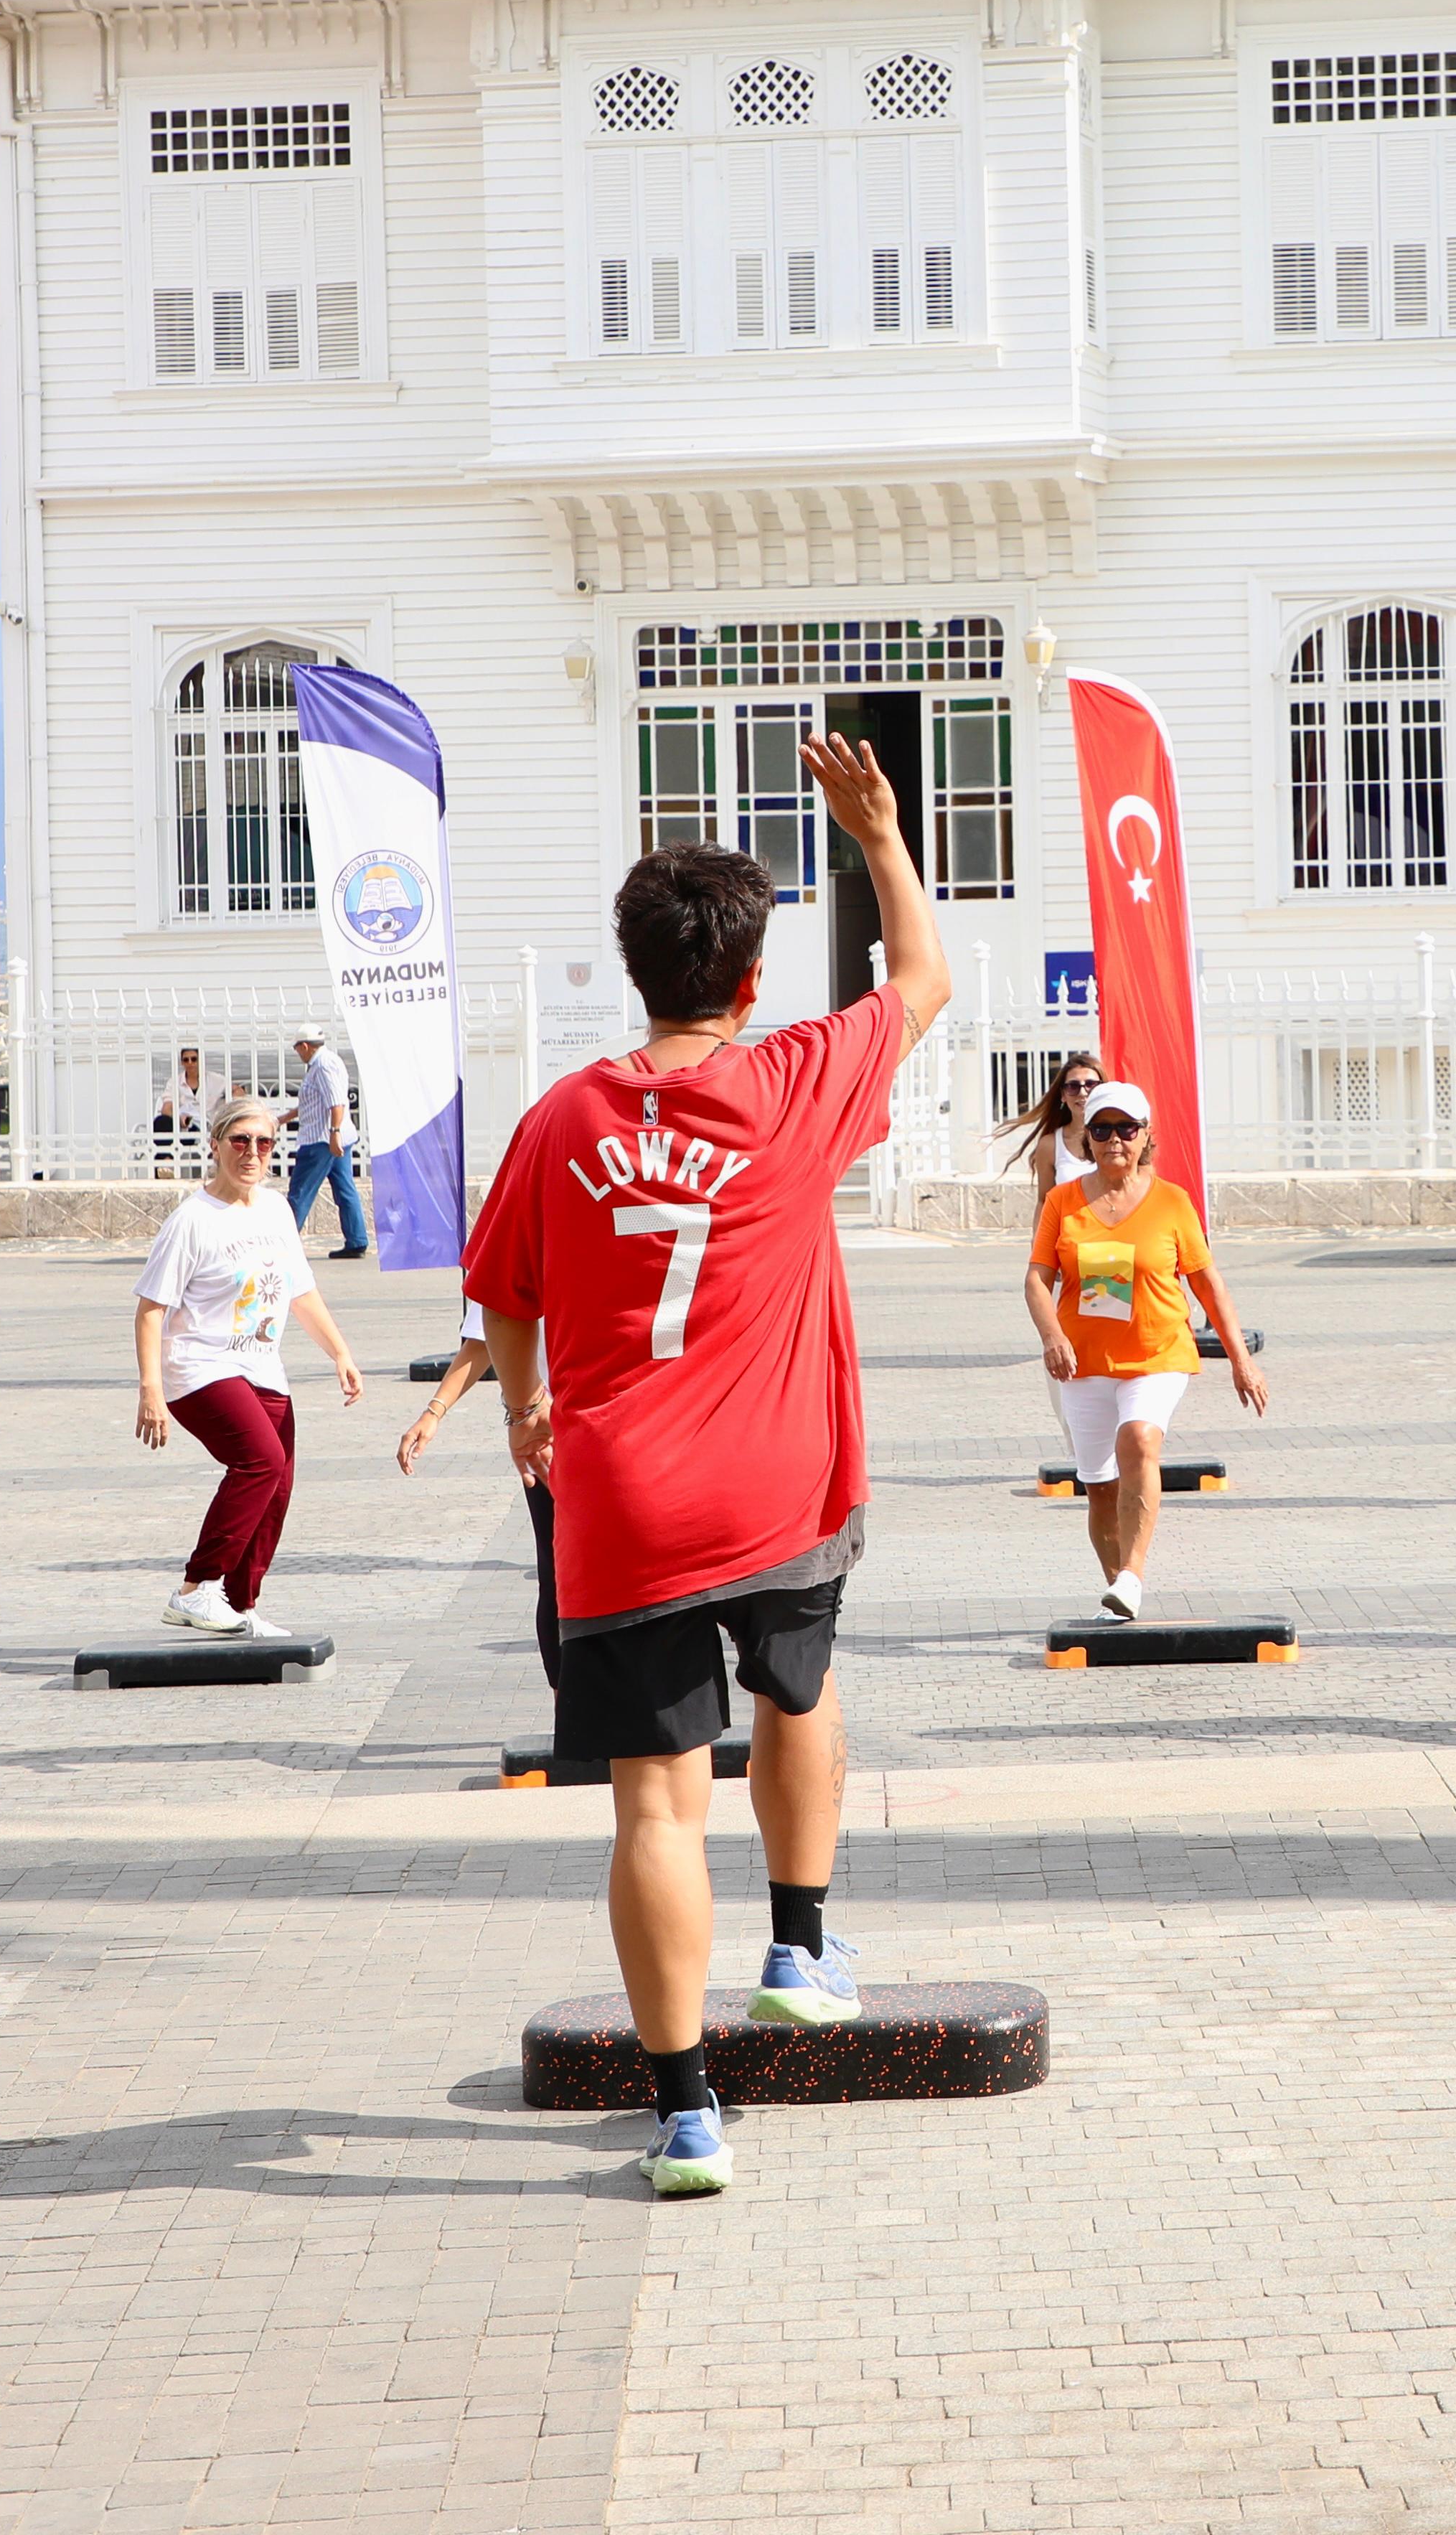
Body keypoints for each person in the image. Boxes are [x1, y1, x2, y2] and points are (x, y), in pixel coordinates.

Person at [463, 735, 950, 2201]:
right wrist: (877, 835)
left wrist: (525, 1407)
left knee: (652, 1806)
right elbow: (918, 983)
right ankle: (799, 1945)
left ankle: (685, 2114)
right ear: (750, 982)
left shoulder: (561, 1119)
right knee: (797, 1685)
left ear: (634, 971)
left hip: (622, 1499)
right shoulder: (793, 1084)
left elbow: (506, 1291)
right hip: (777, 1479)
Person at [1025, 1081, 1267, 1618]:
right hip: (1084, 1361)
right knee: (1100, 1487)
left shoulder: (1172, 1202)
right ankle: (1119, 1596)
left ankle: (1133, 1575)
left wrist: (1241, 1361)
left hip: (1158, 1353)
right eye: (1104, 1130)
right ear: (1088, 1139)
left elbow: (1208, 1285)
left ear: (1145, 1136)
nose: (1115, 1140)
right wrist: (1053, 1337)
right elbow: (1037, 1280)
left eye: (1126, 1129)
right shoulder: (1063, 1203)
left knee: (1138, 1441)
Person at [133, 1090, 365, 1634]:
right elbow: (150, 1311)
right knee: (260, 1460)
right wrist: (150, 1391)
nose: (253, 1153)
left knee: (277, 1483)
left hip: (262, 1368)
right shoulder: (192, 1220)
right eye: (240, 1141)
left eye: (264, 1142)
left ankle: (240, 1605)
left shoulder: (277, 1209)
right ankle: (196, 1588)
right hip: (198, 1367)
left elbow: (299, 1291)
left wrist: (340, 1352)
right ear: (215, 1146)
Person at [405, 1298, 558, 1687]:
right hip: (551, 1437)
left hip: (613, 1424)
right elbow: (485, 1333)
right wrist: (434, 1412)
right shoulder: (521, 1240)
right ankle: (572, 1721)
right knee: (558, 1573)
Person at [286, 1026, 372, 1261]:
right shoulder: (327, 1061)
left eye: (297, 1049)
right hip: (333, 1137)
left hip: (321, 1140)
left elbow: (336, 1103)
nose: (298, 1054)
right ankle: (357, 1240)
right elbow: (313, 1103)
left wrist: (334, 1133)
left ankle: (282, 1242)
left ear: (305, 1046)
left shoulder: (322, 1066)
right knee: (345, 1189)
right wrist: (284, 1118)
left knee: (300, 1192)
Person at [1000, 1054, 1105, 1202]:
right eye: (1073, 1086)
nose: (1082, 1093)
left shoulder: (1121, 1137)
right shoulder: (1051, 1145)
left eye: (1091, 1085)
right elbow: (1045, 1201)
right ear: (1063, 1094)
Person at [152, 1045, 207, 1179]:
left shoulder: (214, 1080)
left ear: (200, 1060)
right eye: (186, 1060)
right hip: (179, 1127)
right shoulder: (175, 1082)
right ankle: (166, 1163)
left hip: (201, 1128)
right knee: (161, 1121)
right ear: (182, 1062)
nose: (190, 1063)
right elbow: (167, 1108)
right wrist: (179, 1119)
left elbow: (236, 1090)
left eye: (194, 1059)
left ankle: (164, 1168)